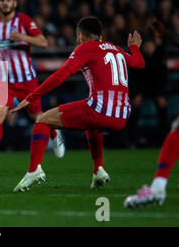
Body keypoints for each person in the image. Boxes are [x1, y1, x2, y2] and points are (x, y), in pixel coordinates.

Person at [10, 16, 145, 192]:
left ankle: (34, 169)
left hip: (101, 110)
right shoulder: (116, 49)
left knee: (42, 120)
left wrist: (31, 96)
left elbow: (61, 75)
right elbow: (139, 63)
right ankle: (98, 170)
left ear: (80, 35)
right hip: (122, 116)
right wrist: (134, 47)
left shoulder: (86, 47)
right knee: (92, 125)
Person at [0, 0, 65, 175]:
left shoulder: (24, 21)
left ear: (15, 3)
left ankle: (55, 134)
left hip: (26, 80)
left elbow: (43, 42)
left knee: (38, 118)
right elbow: (2, 45)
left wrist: (22, 36)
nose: (5, 2)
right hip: (4, 80)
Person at [124, 21, 179, 209]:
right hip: (142, 91)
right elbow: (132, 75)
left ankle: (157, 188)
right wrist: (136, 93)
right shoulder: (155, 53)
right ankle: (157, 187)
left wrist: (161, 95)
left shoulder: (159, 55)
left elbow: (162, 78)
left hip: (156, 91)